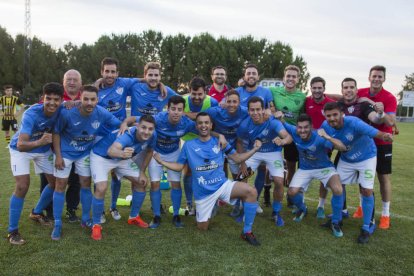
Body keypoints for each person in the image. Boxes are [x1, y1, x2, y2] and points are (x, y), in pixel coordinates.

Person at [153, 112, 263, 246]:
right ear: (196, 126)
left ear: (211, 125)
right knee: (202, 228)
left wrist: (255, 149)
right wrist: (161, 161)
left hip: (222, 186)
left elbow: (238, 158)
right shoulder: (189, 145)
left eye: (206, 123)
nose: (203, 125)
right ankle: (209, 209)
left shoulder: (220, 142)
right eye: (200, 123)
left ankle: (247, 232)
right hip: (203, 194)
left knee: (251, 191)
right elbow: (179, 166)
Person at [51, 85, 121, 240]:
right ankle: (57, 223)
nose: (89, 102)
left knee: (85, 184)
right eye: (86, 99)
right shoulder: (67, 114)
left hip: (84, 153)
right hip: (66, 153)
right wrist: (58, 156)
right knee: (60, 185)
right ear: (79, 99)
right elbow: (55, 133)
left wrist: (126, 126)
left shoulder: (101, 112)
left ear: (97, 100)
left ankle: (85, 219)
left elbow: (118, 124)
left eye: (93, 99)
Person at [321, 102, 393, 244]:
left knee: (366, 190)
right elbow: (328, 145)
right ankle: (336, 220)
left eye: (335, 114)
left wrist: (385, 136)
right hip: (347, 159)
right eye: (329, 116)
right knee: (337, 187)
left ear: (342, 114)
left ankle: (367, 226)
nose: (332, 118)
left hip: (366, 157)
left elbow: (373, 132)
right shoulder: (325, 127)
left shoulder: (353, 122)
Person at [318, 77, 389, 219]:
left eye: (352, 87)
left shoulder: (362, 105)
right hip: (346, 151)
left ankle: (370, 221)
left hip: (365, 150)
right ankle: (342, 212)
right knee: (338, 183)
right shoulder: (337, 105)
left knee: (366, 188)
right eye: (346, 87)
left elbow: (375, 119)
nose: (349, 90)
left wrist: (380, 113)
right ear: (342, 90)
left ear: (356, 90)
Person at [7, 82, 64, 245]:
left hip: (43, 150)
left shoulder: (61, 108)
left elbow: (77, 102)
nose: (52, 102)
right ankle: (12, 231)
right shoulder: (31, 113)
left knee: (55, 182)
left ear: (61, 100)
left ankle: (37, 212)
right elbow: (21, 144)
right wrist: (40, 141)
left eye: (56, 99)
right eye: (49, 98)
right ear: (42, 98)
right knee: (22, 186)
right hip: (21, 150)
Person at [89, 115, 157, 240]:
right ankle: (96, 224)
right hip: (101, 156)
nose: (146, 131)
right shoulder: (127, 135)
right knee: (101, 188)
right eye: (143, 127)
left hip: (121, 159)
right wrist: (122, 153)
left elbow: (149, 151)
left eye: (150, 129)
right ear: (137, 126)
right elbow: (111, 151)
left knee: (141, 182)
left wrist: (142, 171)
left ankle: (133, 217)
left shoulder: (153, 135)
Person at [284, 114, 346, 237]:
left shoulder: (319, 137)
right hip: (305, 169)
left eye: (306, 127)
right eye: (300, 127)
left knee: (338, 189)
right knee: (291, 193)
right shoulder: (294, 131)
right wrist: (277, 116)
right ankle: (302, 208)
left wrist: (328, 137)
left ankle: (335, 221)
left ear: (311, 127)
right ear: (296, 127)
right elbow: (281, 123)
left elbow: (342, 147)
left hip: (324, 168)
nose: (302, 130)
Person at [237, 96, 292, 226]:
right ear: (248, 111)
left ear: (263, 110)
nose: (255, 113)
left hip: (273, 152)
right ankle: (245, 209)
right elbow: (239, 142)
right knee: (242, 177)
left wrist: (282, 141)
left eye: (258, 109)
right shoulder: (245, 124)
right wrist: (242, 161)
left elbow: (288, 136)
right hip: (254, 152)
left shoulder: (272, 121)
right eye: (252, 110)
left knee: (279, 181)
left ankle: (276, 212)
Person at [97, 57, 139, 222]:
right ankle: (99, 210)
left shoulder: (124, 83)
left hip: (119, 133)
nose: (110, 74)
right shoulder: (96, 88)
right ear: (102, 72)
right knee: (100, 175)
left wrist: (162, 84)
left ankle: (113, 206)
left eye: (113, 71)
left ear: (117, 73)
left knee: (116, 174)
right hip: (99, 136)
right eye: (107, 71)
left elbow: (143, 79)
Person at [39, 69, 82, 222]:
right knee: (50, 182)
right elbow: (41, 109)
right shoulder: (54, 95)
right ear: (63, 82)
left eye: (74, 79)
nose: (71, 82)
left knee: (75, 182)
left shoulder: (86, 98)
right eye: (68, 79)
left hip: (76, 149)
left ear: (80, 83)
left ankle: (71, 210)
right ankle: (48, 212)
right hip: (51, 149)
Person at [357, 65, 397, 230]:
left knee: (383, 178)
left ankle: (385, 214)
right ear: (369, 77)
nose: (376, 79)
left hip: (382, 142)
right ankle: (361, 207)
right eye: (374, 76)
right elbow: (344, 97)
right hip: (364, 142)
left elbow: (390, 122)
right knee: (363, 177)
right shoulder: (361, 92)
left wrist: (373, 104)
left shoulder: (389, 97)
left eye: (380, 77)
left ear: (384, 79)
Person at [236, 64, 275, 213]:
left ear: (258, 77)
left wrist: (269, 111)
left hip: (260, 135)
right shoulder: (238, 91)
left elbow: (271, 108)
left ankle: (255, 199)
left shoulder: (266, 92)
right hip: (243, 134)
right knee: (243, 169)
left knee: (262, 168)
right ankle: (240, 201)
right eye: (248, 73)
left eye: (254, 73)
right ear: (244, 76)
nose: (251, 75)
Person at [182, 76, 218, 214]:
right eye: (194, 94)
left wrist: (188, 114)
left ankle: (209, 201)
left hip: (206, 139)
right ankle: (189, 203)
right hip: (187, 140)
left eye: (200, 94)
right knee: (189, 172)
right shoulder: (183, 101)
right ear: (189, 91)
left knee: (208, 171)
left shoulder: (212, 102)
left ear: (205, 92)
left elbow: (215, 122)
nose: (197, 97)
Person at [270, 65, 306, 195]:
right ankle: (268, 192)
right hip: (276, 133)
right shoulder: (273, 91)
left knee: (291, 166)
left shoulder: (302, 97)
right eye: (288, 76)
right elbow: (258, 91)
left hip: (293, 135)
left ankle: (291, 194)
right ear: (284, 78)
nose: (290, 78)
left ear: (298, 79)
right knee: (271, 164)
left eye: (293, 76)